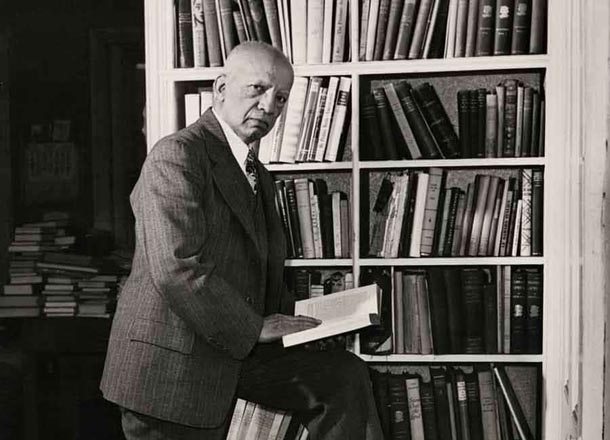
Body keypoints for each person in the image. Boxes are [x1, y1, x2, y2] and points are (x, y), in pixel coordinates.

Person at [100, 41, 383, 440]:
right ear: (220, 88)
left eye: (281, 98)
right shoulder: (176, 156)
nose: (270, 106)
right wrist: (255, 329)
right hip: (170, 365)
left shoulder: (257, 173)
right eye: (258, 89)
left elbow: (257, 273)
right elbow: (177, 268)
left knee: (342, 375)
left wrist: (316, 323)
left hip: (229, 348)